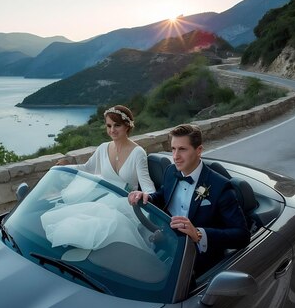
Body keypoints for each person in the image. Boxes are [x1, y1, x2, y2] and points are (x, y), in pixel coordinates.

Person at [128, 124, 250, 275]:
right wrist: (147, 196)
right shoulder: (171, 171)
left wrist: (198, 234)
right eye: (173, 149)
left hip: (197, 258)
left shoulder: (221, 187)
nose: (175, 156)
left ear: (199, 150)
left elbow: (242, 236)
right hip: (168, 243)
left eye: (182, 149)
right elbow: (163, 195)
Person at [58, 105, 156, 193]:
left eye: (117, 125)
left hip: (128, 204)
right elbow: (87, 168)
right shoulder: (103, 148)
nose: (112, 130)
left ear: (127, 126)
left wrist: (149, 197)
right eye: (109, 126)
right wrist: (66, 167)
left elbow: (146, 184)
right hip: (106, 200)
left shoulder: (138, 153)